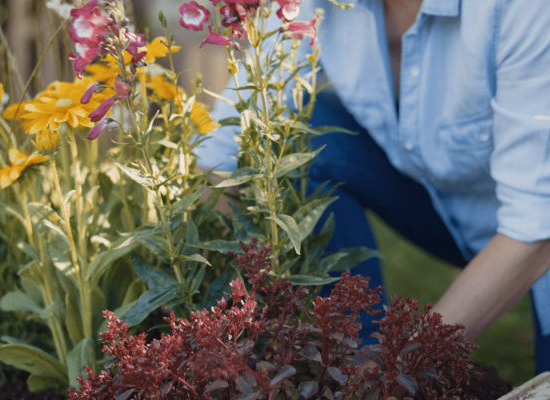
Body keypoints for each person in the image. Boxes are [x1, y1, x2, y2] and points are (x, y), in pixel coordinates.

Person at [195, 0, 550, 374]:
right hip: (450, 204)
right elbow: (227, 148)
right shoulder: (311, 5)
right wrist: (193, 289)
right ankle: (348, 353)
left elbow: (538, 224)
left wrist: (391, 364)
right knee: (298, 138)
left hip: (537, 227)